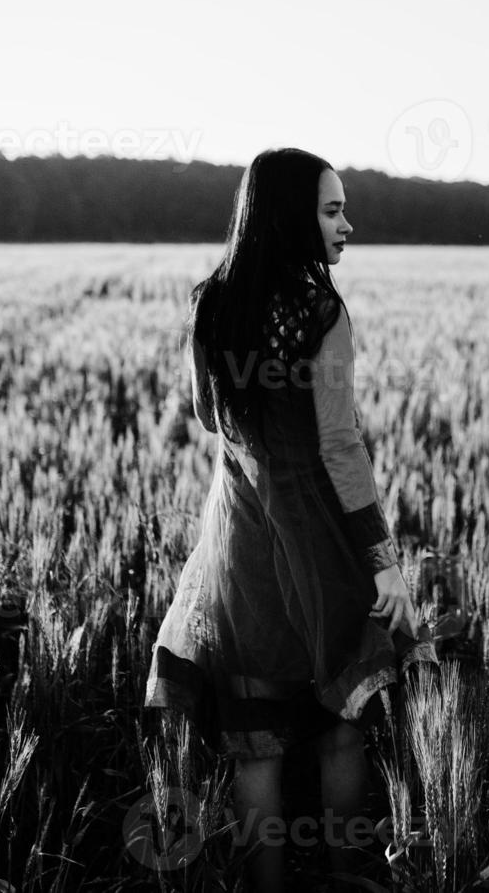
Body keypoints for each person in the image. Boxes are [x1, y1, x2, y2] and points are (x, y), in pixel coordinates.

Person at [143, 147, 438, 890]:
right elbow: (339, 445)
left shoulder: (210, 304)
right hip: (321, 543)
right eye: (332, 210)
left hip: (239, 544)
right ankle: (344, 881)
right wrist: (383, 562)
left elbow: (210, 417)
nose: (347, 226)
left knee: (256, 747)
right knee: (341, 736)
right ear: (290, 216)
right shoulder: (321, 312)